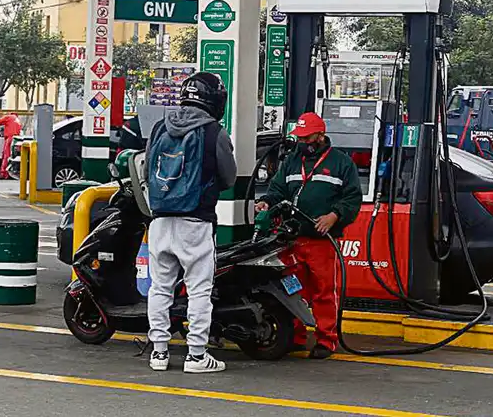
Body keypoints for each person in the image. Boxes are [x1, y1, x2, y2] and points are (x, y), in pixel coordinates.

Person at [145, 72, 236, 374]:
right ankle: (196, 356)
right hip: (196, 222)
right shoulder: (214, 133)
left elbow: (147, 171)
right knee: (199, 291)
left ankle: (159, 352)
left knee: (160, 288)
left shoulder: (160, 127)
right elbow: (229, 178)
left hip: (160, 221)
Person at [255, 112, 363, 359]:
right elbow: (278, 189)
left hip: (321, 242)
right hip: (291, 239)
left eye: (306, 137)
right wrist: (266, 202)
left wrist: (334, 216)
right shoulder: (292, 161)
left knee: (324, 291)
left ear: (320, 135)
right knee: (291, 290)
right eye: (299, 137)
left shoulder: (341, 163)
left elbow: (352, 197)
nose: (301, 142)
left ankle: (326, 340)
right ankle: (295, 337)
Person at [0, 113, 22, 180]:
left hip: (10, 138)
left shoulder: (8, 117)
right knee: (12, 156)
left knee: (6, 156)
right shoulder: (17, 119)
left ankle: (3, 174)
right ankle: (10, 173)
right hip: (16, 139)